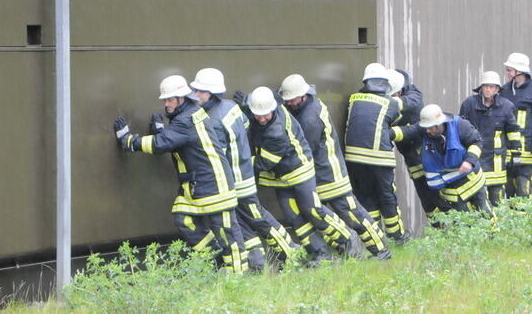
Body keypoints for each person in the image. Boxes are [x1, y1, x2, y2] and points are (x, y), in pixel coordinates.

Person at [112, 74, 248, 273]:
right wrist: (161, 131)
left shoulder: (186, 120)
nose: (166, 104)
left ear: (181, 98)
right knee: (184, 218)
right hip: (200, 184)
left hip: (214, 184)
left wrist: (129, 141)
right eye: (165, 100)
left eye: (169, 100)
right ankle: (216, 258)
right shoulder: (190, 114)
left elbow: (161, 143)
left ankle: (238, 276)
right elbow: (175, 139)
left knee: (227, 232)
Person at [190, 68, 298, 269]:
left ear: (212, 93)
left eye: (200, 91)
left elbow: (216, 156)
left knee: (259, 219)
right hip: (242, 176)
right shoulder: (230, 106)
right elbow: (247, 125)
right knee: (242, 221)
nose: (196, 95)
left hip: (237, 181)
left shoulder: (212, 120)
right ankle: (257, 262)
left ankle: (291, 253)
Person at [279, 73, 390, 259]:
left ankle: (381, 250)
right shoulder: (309, 103)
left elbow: (305, 149)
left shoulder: (309, 119)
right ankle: (350, 251)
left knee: (354, 215)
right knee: (326, 216)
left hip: (329, 175)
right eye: (287, 99)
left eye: (292, 99)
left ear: (303, 95)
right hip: (324, 171)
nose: (288, 103)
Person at [244, 86, 361, 263]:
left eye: (264, 115)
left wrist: (240, 164)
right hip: (281, 178)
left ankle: (348, 239)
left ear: (273, 108)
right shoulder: (269, 106)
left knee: (313, 210)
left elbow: (263, 163)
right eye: (257, 115)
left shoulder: (276, 132)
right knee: (295, 217)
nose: (261, 119)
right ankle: (319, 253)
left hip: (299, 172)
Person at [343, 63, 410, 242]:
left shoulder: (353, 98)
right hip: (380, 159)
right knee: (387, 196)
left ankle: (376, 236)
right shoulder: (391, 103)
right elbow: (394, 119)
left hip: (353, 158)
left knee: (366, 197)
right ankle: (396, 235)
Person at [458, 71, 521, 206]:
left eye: (491, 87)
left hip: (496, 160)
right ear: (481, 88)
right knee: (476, 197)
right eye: (485, 86)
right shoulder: (469, 104)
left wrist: (516, 154)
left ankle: (498, 219)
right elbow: (460, 129)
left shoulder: (506, 107)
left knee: (497, 198)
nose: (488, 89)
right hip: (475, 157)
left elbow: (513, 132)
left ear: (497, 89)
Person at [387, 68, 443, 216]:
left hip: (428, 155)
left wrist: (385, 101)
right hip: (411, 159)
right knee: (426, 199)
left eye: (394, 94)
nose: (393, 96)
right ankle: (436, 225)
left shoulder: (414, 95)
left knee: (440, 195)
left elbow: (410, 108)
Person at [415, 104, 490, 215]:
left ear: (439, 124)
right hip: (452, 191)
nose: (427, 131)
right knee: (464, 222)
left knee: (486, 215)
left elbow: (476, 142)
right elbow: (408, 132)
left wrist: (469, 161)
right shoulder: (426, 132)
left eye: (430, 127)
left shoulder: (461, 126)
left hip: (473, 183)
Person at [500, 53, 532, 198]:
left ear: (519, 71)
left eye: (509, 70)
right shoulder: (504, 91)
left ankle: (524, 212)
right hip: (509, 149)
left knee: (523, 187)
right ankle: (513, 213)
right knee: (508, 188)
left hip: (528, 150)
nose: (507, 73)